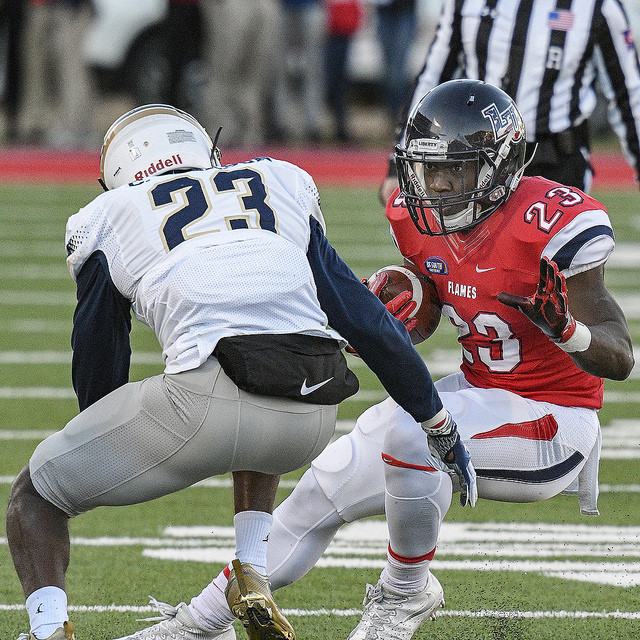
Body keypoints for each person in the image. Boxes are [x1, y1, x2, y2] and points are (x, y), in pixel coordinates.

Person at [111, 80, 634, 640]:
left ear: (499, 168)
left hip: (555, 419)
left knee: (414, 436)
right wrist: (401, 309)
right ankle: (197, 624)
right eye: (429, 169)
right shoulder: (415, 218)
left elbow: (620, 356)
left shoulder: (551, 224)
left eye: (454, 171)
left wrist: (568, 330)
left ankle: (405, 593)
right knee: (323, 486)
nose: (437, 185)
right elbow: (434, 305)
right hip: (478, 392)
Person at [6, 103, 475, 640]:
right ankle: (250, 568)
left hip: (204, 407)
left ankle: (47, 631)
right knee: (267, 360)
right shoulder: (276, 181)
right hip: (312, 413)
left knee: (33, 499)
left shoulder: (108, 215)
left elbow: (99, 356)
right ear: (205, 151)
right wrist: (436, 420)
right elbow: (363, 318)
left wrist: (100, 435)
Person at [380, 0, 640, 203]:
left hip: (556, 161)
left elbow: (629, 91)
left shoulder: (598, 6)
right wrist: (398, 163)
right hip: (476, 158)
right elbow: (433, 77)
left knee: (552, 256)